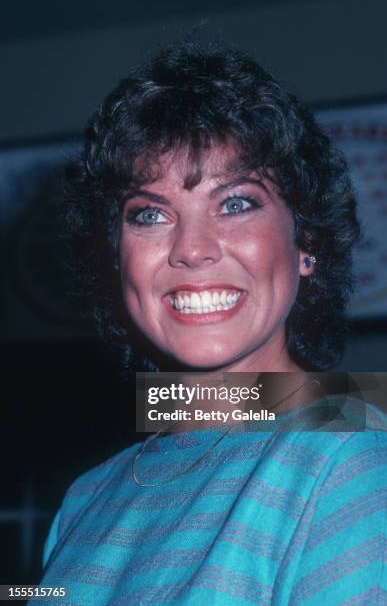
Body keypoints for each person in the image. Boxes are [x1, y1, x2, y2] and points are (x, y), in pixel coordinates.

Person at [34, 40, 386, 604]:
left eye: (236, 203)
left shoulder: (350, 461)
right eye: (149, 214)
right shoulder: (85, 497)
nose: (192, 250)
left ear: (307, 244)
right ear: (117, 259)